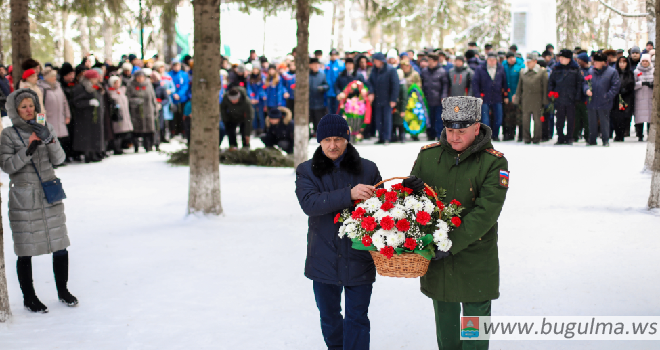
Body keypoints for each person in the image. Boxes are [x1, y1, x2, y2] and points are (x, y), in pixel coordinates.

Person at [406, 96, 508, 350]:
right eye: (450, 130)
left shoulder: (494, 162)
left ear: (476, 127)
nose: (454, 137)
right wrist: (410, 191)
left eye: (461, 131)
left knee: (473, 335)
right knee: (448, 335)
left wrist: (450, 243)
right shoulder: (428, 157)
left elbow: (486, 212)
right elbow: (414, 207)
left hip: (475, 259)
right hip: (439, 263)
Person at [295, 114, 382, 350]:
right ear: (319, 141)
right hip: (323, 259)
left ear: (347, 139)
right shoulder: (306, 171)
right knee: (330, 318)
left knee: (357, 319)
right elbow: (310, 204)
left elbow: (383, 211)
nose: (332, 146)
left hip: (359, 257)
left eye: (338, 140)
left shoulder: (368, 169)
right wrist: (349, 194)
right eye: (327, 140)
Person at [0, 88, 77, 313]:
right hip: (24, 198)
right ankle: (29, 297)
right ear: (15, 110)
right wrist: (29, 147)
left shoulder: (46, 127)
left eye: (31, 106)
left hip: (49, 193)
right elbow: (7, 166)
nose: (28, 110)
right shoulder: (8, 134)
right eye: (23, 107)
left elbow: (60, 159)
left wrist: (50, 140)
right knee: (26, 249)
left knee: (60, 244)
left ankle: (63, 291)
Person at [584, 52, 620, 147]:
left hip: (604, 101)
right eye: (594, 61)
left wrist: (607, 96)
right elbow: (585, 83)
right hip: (592, 101)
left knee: (604, 121)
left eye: (597, 61)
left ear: (604, 62)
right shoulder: (590, 71)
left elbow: (615, 86)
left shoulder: (612, 72)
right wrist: (586, 90)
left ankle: (605, 139)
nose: (595, 63)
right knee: (591, 121)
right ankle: (592, 139)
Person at [548, 49, 583, 145]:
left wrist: (577, 97)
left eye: (563, 57)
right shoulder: (556, 68)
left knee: (571, 119)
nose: (560, 59)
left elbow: (579, 84)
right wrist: (551, 93)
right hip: (559, 97)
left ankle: (569, 137)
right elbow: (551, 82)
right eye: (560, 57)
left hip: (571, 98)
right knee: (559, 119)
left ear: (568, 59)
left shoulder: (575, 68)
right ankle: (560, 137)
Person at [72, 69, 106, 162]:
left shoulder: (97, 87)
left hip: (95, 116)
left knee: (95, 135)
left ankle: (96, 153)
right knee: (87, 136)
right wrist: (88, 102)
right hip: (85, 117)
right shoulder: (81, 87)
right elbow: (77, 102)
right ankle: (88, 154)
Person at [472, 53, 507, 141]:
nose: (492, 62)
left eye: (494, 60)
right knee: (485, 119)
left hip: (497, 97)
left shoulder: (501, 68)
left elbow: (504, 82)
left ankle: (495, 134)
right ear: (487, 60)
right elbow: (475, 83)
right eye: (490, 60)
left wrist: (505, 94)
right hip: (484, 97)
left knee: (498, 118)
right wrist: (478, 95)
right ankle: (487, 136)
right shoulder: (480, 69)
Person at [367, 52, 400, 144]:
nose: (374, 63)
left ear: (381, 61)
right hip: (377, 99)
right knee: (378, 119)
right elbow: (370, 82)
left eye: (376, 61)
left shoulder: (391, 70)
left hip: (387, 99)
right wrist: (371, 92)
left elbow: (395, 85)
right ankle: (381, 137)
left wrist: (393, 99)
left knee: (387, 119)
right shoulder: (374, 70)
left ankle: (386, 137)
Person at [516, 52, 548, 144]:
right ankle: (526, 138)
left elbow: (545, 87)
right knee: (525, 120)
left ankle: (537, 138)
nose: (528, 63)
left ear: (535, 61)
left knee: (537, 120)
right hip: (525, 99)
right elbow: (519, 87)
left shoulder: (541, 72)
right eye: (527, 61)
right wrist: (518, 99)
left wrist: (545, 100)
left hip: (537, 99)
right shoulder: (523, 72)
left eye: (530, 61)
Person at [37, 67, 71, 154]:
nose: (54, 78)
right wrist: (40, 121)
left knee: (60, 139)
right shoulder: (42, 88)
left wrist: (67, 115)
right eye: (52, 77)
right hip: (48, 118)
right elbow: (39, 105)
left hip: (60, 117)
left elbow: (64, 102)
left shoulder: (58, 86)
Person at [127, 70, 158, 152]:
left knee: (148, 130)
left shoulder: (148, 84)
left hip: (148, 110)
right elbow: (128, 98)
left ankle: (148, 146)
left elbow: (153, 97)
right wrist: (135, 101)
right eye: (138, 77)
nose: (140, 79)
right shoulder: (131, 85)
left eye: (142, 77)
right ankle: (136, 146)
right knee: (136, 130)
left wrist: (155, 109)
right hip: (136, 112)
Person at [421, 53, 450, 140]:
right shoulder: (424, 71)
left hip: (438, 99)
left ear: (436, 62)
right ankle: (430, 134)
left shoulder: (442, 71)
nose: (429, 63)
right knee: (429, 117)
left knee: (438, 118)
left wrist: (443, 96)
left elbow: (445, 85)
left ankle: (438, 134)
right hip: (427, 98)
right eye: (428, 61)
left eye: (431, 61)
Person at [395, 59, 422, 142]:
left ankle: (414, 134)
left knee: (413, 117)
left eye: (406, 66)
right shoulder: (399, 74)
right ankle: (402, 134)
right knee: (402, 117)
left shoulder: (415, 74)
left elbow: (418, 86)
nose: (404, 68)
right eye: (402, 66)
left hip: (412, 99)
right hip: (402, 99)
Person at [611, 56, 635, 142]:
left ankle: (622, 134)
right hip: (616, 98)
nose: (622, 64)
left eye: (624, 62)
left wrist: (625, 90)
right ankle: (617, 134)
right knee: (615, 117)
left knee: (624, 118)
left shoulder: (630, 73)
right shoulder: (614, 73)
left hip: (626, 98)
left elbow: (632, 85)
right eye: (620, 62)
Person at [502, 52, 525, 141]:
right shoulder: (503, 66)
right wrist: (506, 95)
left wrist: (517, 94)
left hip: (518, 94)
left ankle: (521, 135)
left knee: (519, 115)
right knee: (508, 115)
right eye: (509, 58)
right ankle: (509, 134)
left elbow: (521, 82)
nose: (511, 59)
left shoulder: (520, 66)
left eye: (513, 57)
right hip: (507, 94)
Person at [106, 76, 132, 155]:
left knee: (123, 133)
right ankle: (116, 148)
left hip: (124, 114)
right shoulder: (110, 92)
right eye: (115, 83)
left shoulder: (121, 91)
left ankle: (121, 147)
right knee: (118, 133)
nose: (117, 84)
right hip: (116, 115)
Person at [634, 54, 654, 142]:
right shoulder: (636, 71)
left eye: (646, 61)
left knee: (650, 117)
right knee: (640, 118)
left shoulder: (653, 71)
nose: (645, 63)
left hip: (650, 97)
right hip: (640, 97)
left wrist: (652, 85)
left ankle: (650, 135)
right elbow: (632, 84)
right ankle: (639, 134)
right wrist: (641, 84)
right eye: (643, 61)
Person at [169, 60, 190, 137]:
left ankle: (183, 130)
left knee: (182, 115)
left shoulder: (184, 74)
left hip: (182, 98)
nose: (176, 67)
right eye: (174, 65)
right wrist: (174, 94)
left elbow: (185, 86)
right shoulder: (169, 75)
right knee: (174, 115)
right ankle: (174, 131)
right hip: (173, 99)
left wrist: (180, 94)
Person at [309, 58, 329, 137]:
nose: (315, 66)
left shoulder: (322, 75)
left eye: (317, 64)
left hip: (319, 101)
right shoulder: (307, 75)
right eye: (314, 64)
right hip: (309, 101)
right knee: (311, 118)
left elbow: (327, 85)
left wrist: (322, 88)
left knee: (318, 118)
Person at [574, 52, 591, 142]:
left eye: (579, 60)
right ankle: (575, 135)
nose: (578, 61)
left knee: (586, 119)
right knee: (576, 119)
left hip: (586, 99)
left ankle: (587, 136)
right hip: (577, 98)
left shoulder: (590, 71)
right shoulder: (577, 70)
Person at [247, 65, 267, 136]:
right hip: (252, 99)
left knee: (261, 115)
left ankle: (262, 129)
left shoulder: (262, 77)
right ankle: (255, 129)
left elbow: (261, 89)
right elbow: (249, 88)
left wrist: (257, 98)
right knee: (254, 115)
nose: (255, 71)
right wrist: (252, 98)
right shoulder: (249, 78)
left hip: (260, 100)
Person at [325, 49, 345, 115]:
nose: (333, 57)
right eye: (332, 55)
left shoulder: (341, 65)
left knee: (338, 110)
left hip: (338, 91)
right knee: (330, 111)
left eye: (334, 55)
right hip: (329, 91)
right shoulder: (327, 65)